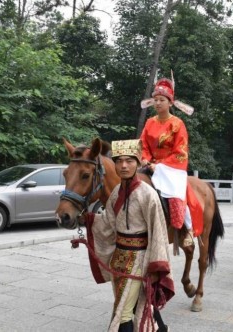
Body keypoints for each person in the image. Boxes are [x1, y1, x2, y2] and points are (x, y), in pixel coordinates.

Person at [79, 139, 174, 332]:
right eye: (119, 160)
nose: (123, 165)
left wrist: (156, 265)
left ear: (138, 163)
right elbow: (108, 223)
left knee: (122, 311)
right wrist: (88, 220)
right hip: (119, 260)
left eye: (129, 161)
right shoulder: (116, 192)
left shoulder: (148, 194)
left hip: (139, 260)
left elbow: (158, 232)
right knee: (135, 304)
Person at [140, 77, 194, 247]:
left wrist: (161, 166)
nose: (157, 103)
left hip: (171, 168)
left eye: (161, 100)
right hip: (150, 164)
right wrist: (145, 159)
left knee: (175, 194)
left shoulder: (177, 124)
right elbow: (143, 145)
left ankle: (188, 229)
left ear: (170, 103)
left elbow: (181, 150)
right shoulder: (149, 123)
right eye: (155, 100)